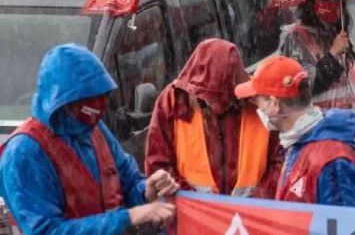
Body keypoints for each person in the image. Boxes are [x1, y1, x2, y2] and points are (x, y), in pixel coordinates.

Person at [0, 44, 178, 234]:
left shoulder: (93, 128)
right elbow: (46, 231)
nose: (100, 106)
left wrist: (145, 190)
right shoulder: (24, 152)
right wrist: (130, 216)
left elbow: (127, 178)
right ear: (63, 100)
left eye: (103, 96)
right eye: (90, 98)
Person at [145, 39, 282, 198]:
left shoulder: (259, 101)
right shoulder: (172, 102)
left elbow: (280, 160)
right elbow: (158, 166)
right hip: (195, 217)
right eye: (209, 100)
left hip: (252, 216)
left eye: (226, 100)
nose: (217, 107)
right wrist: (196, 206)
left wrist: (257, 200)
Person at [278, 0, 355, 198]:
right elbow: (301, 88)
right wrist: (331, 57)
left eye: (336, 1)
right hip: (319, 137)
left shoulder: (340, 35)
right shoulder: (296, 39)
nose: (331, 7)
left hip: (350, 133)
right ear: (311, 5)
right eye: (325, 1)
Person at [235, 56, 355, 206]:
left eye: (256, 100)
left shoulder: (330, 159)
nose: (255, 106)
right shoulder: (298, 144)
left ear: (274, 105)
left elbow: (342, 225)